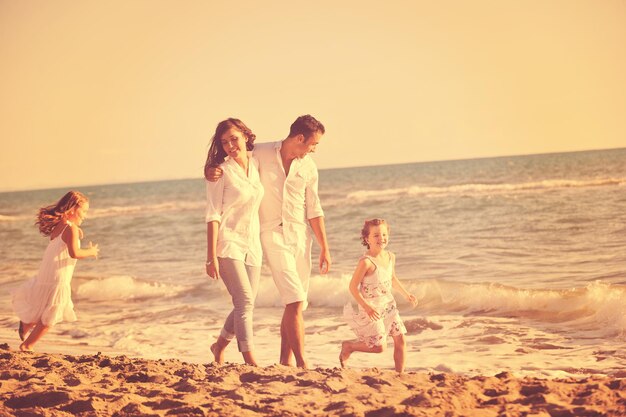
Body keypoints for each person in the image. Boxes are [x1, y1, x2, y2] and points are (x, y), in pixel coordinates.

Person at [205, 114, 331, 368]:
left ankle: (280, 361)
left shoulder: (304, 167)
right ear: (299, 138)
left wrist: (324, 247)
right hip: (265, 235)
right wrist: (209, 170)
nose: (315, 149)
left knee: (288, 303)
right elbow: (227, 169)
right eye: (313, 144)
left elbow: (314, 209)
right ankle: (294, 363)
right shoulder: (261, 153)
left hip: (291, 238)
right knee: (288, 300)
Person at [204, 118, 264, 366]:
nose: (230, 145)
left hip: (253, 245)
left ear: (246, 136)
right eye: (224, 142)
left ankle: (218, 346)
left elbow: (277, 147)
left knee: (244, 303)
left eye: (234, 139)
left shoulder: (258, 162)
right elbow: (212, 214)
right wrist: (211, 257)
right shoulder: (220, 172)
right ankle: (250, 360)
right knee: (245, 301)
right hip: (228, 243)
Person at [12, 191, 100, 352]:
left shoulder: (61, 226)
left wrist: (76, 231)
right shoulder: (70, 229)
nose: (86, 215)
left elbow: (65, 242)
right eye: (84, 211)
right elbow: (75, 253)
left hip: (48, 272)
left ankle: (25, 324)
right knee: (52, 313)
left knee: (43, 306)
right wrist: (91, 251)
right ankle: (27, 345)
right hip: (58, 276)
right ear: (72, 209)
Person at [340, 218, 417, 373]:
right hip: (372, 308)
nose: (381, 238)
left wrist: (406, 294)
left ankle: (399, 374)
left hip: (388, 305)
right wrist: (366, 307)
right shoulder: (366, 262)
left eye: (383, 234)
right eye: (375, 235)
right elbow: (352, 287)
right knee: (379, 347)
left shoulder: (390, 257)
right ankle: (349, 346)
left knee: (400, 339)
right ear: (367, 239)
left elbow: (392, 279)